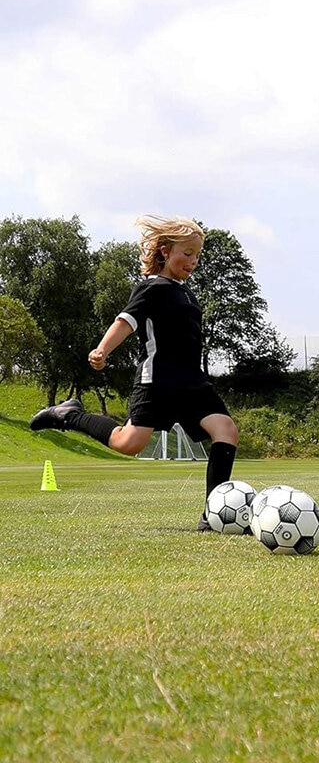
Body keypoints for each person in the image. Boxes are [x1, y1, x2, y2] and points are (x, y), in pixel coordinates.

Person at [29, 215, 240, 531]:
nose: (192, 261)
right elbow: (126, 321)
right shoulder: (151, 288)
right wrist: (103, 350)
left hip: (193, 383)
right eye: (187, 253)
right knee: (129, 443)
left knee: (226, 431)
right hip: (158, 381)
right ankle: (67, 415)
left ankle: (213, 516)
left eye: (197, 255)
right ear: (166, 251)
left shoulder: (188, 294)